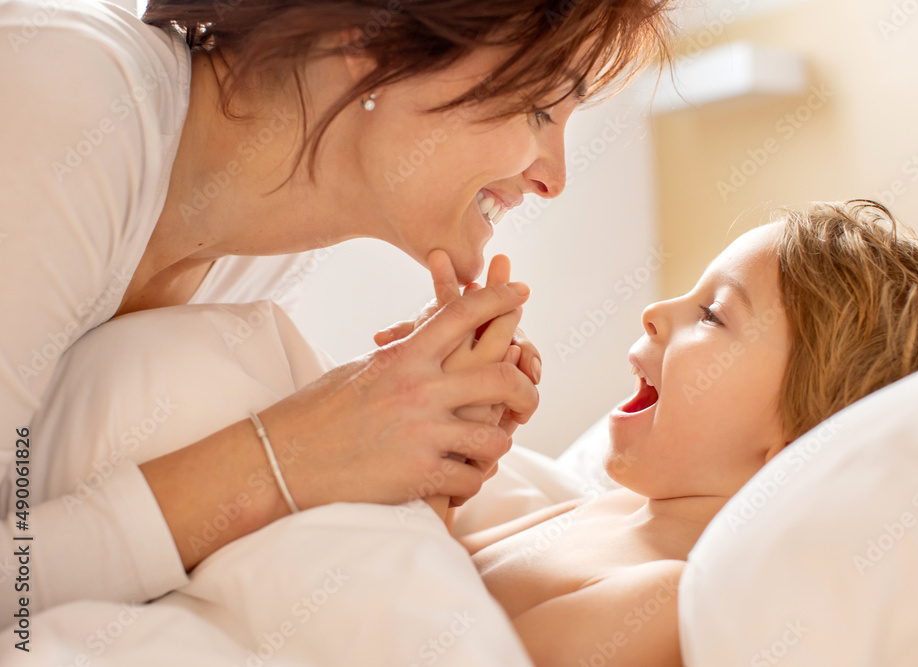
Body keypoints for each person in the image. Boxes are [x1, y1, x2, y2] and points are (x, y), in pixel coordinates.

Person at [0, 0, 673, 616]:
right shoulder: (66, 99)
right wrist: (299, 450)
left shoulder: (261, 249)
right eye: (539, 107)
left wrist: (406, 463)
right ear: (369, 37)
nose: (553, 178)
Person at [448, 201, 918, 667]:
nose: (654, 312)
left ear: (796, 449)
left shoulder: (662, 598)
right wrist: (453, 444)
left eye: (711, 314)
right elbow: (436, 561)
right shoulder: (614, 508)